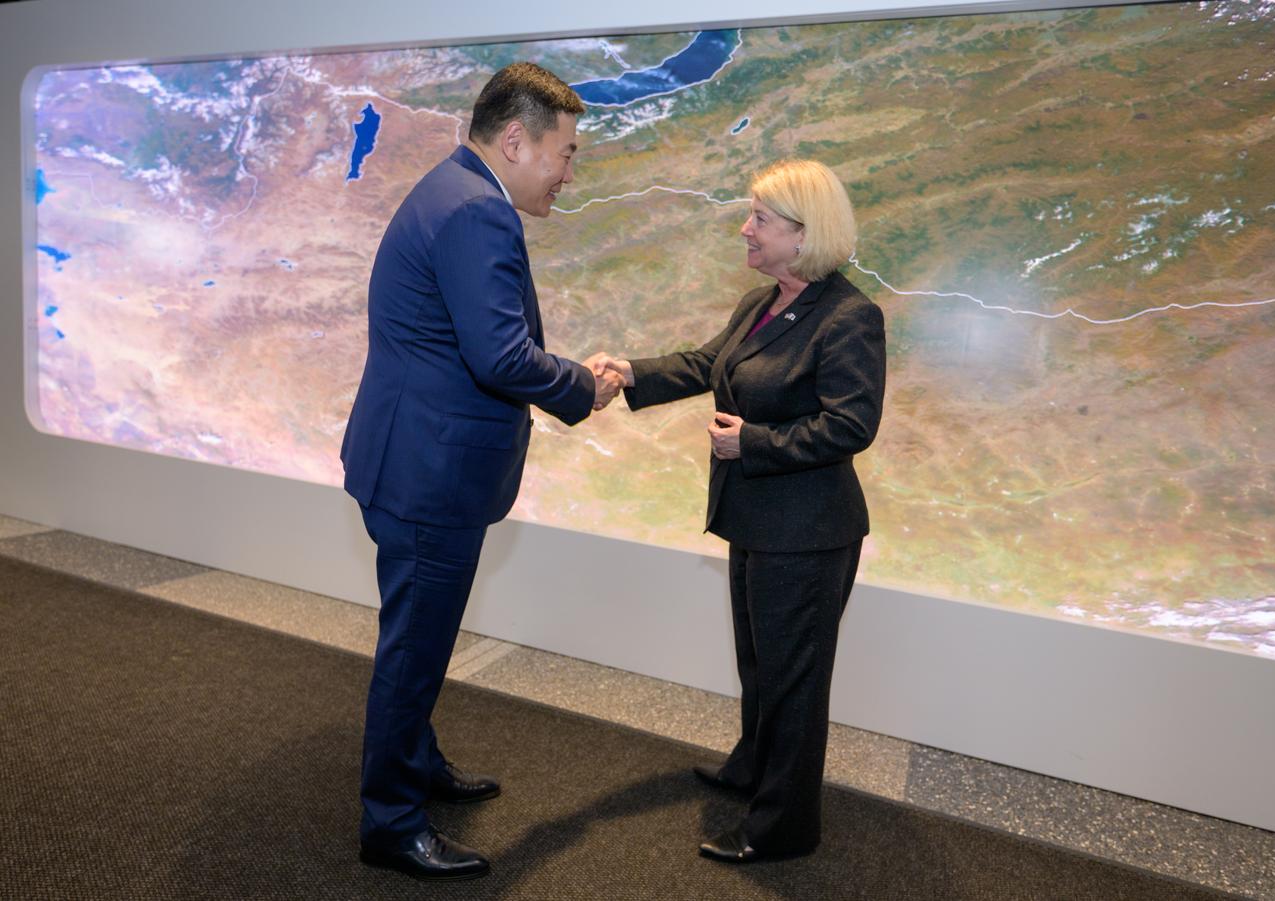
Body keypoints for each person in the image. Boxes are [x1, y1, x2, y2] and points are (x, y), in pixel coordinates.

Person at [339, 62, 623, 882]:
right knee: (415, 649)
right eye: (565, 154)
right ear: (513, 138)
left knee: (418, 635)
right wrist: (585, 385)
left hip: (409, 458)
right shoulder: (475, 213)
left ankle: (416, 761)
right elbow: (499, 354)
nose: (569, 174)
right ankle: (391, 821)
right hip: (428, 474)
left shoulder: (452, 187)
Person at [595, 159, 886, 863]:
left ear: (802, 232)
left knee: (793, 677)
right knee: (761, 662)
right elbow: (709, 363)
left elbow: (852, 425)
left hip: (808, 533)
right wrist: (631, 372)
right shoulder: (762, 302)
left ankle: (782, 826)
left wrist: (750, 442)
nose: (745, 229)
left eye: (760, 219)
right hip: (758, 521)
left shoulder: (850, 317)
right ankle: (753, 767)